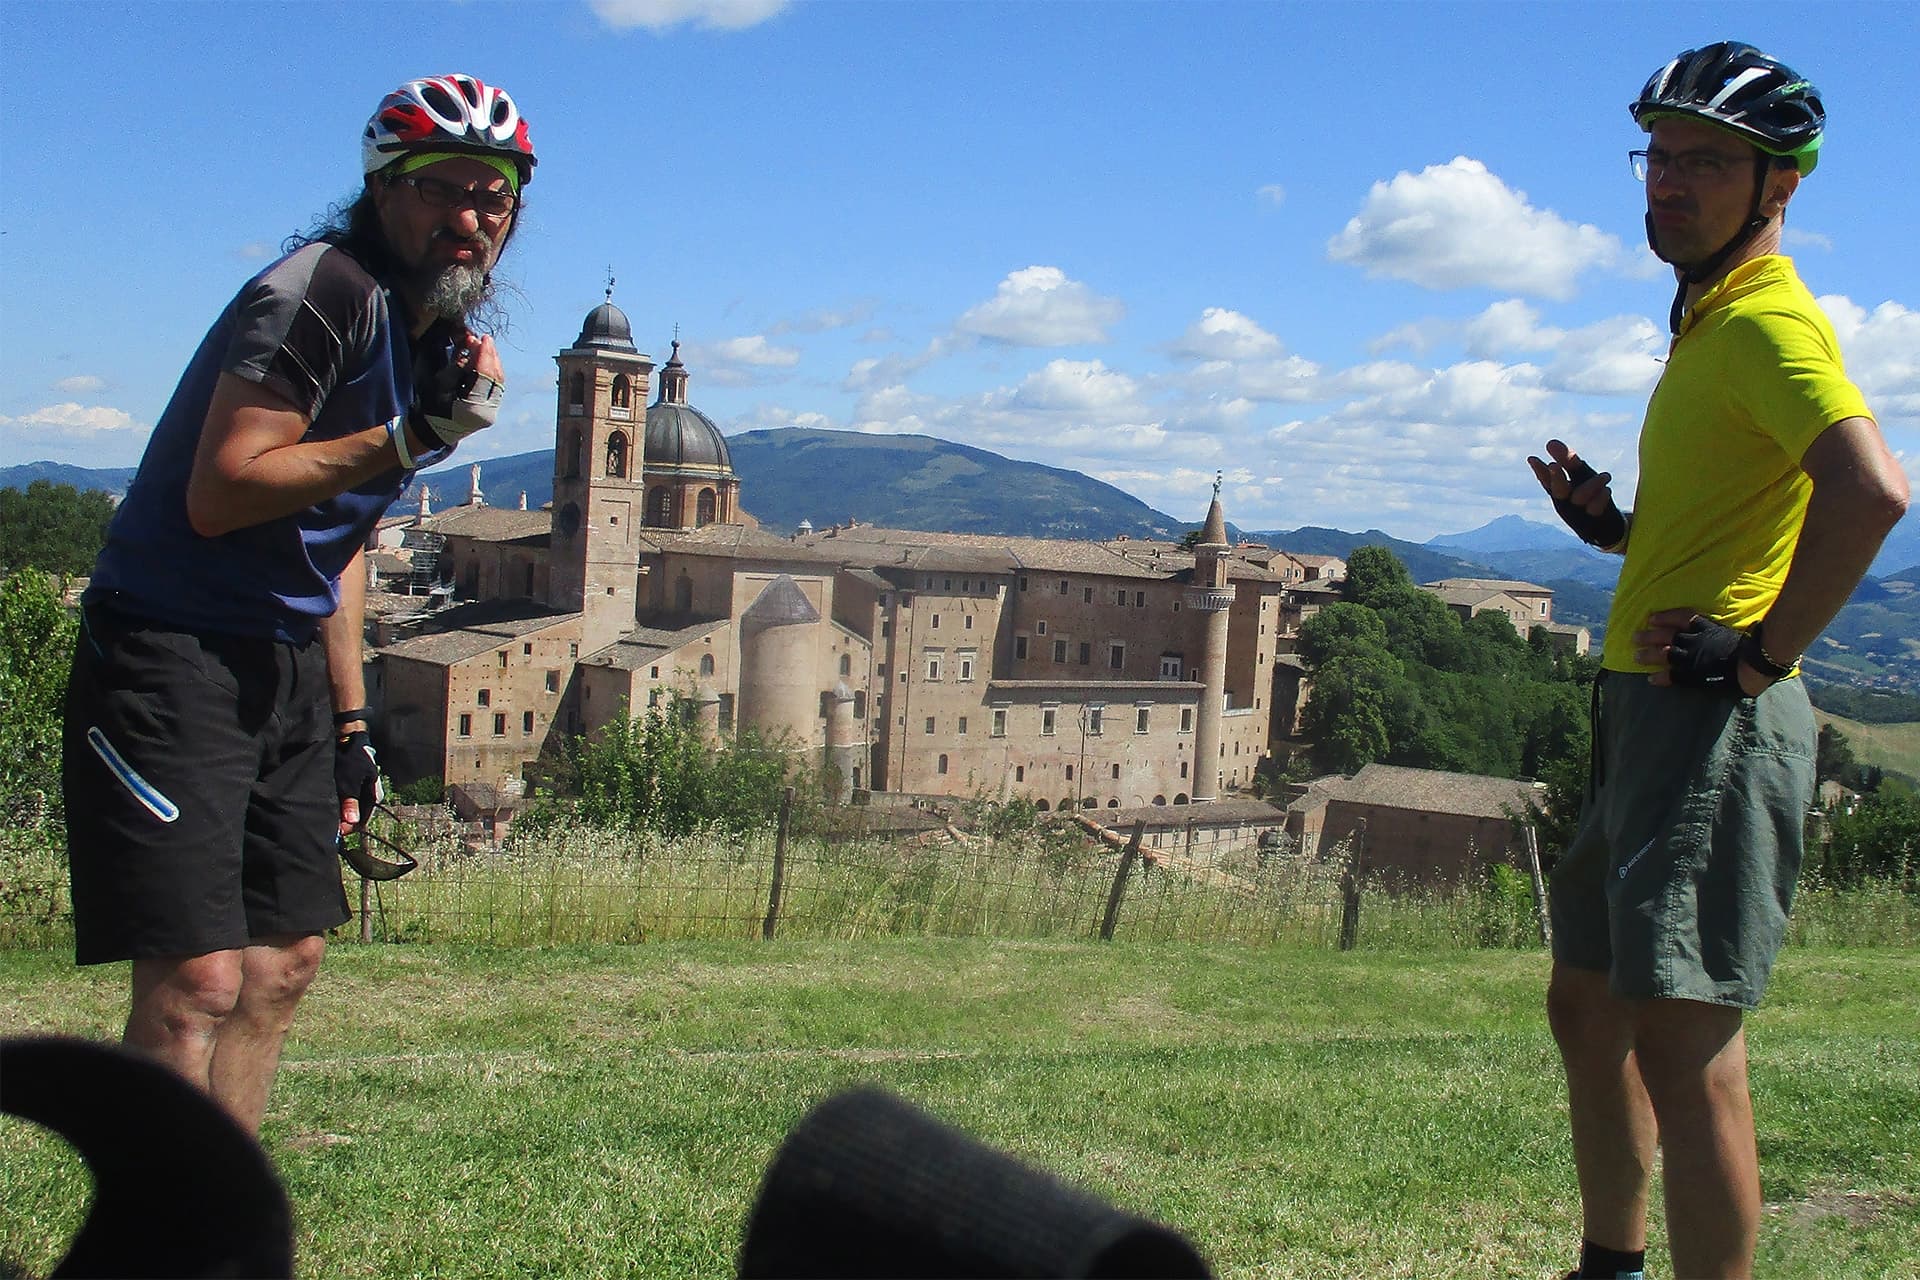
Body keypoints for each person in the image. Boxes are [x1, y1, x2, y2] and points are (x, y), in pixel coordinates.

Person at [60, 74, 537, 1135]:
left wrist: (353, 721)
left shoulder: (421, 339)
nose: (469, 219)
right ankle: (162, 1237)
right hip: (172, 647)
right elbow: (225, 486)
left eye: (493, 198)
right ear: (382, 191)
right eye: (442, 190)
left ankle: (222, 1222)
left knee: (283, 964)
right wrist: (419, 438)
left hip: (280, 662)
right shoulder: (323, 292)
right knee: (196, 984)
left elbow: (344, 542)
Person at [1528, 42, 1906, 1280]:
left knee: (1685, 1044)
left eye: (1707, 162)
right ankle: (1612, 1264)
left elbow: (1869, 491)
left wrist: (1756, 658)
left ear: (1778, 183)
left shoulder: (1766, 326)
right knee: (1586, 1005)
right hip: (1644, 708)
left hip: (1711, 727)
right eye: (1661, 157)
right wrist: (1616, 529)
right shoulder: (1709, 321)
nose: (1668, 184)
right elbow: (1733, 517)